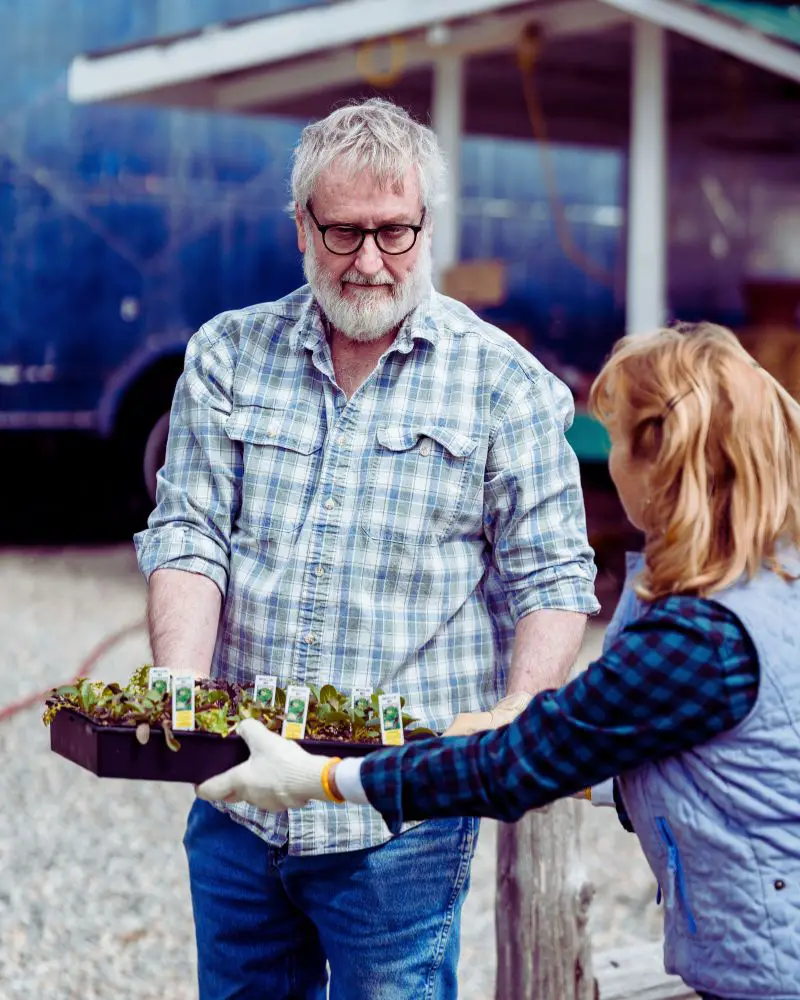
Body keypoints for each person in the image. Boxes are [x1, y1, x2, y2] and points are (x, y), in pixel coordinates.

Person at [135, 96, 598, 1000]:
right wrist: (181, 684)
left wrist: (517, 710)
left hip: (399, 819)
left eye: (395, 231)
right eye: (344, 233)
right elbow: (189, 535)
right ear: (300, 227)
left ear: (429, 225)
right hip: (239, 794)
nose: (370, 261)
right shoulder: (226, 356)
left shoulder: (504, 384)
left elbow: (555, 575)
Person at [198, 322, 800, 1000]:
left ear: (658, 456)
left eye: (614, 438)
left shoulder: (698, 638)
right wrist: (566, 763)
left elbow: (514, 766)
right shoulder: (769, 584)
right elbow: (724, 751)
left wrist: (320, 777)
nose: (605, 464)